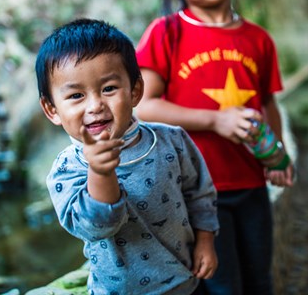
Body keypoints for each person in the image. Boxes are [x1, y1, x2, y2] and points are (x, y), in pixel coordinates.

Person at [135, 0, 294, 295]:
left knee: (260, 279)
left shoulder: (258, 40)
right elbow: (143, 106)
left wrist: (277, 153)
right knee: (222, 287)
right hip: (196, 194)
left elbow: (267, 103)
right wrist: (215, 120)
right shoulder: (166, 33)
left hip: (251, 185)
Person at [35, 18, 219, 295]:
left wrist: (206, 240)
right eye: (76, 95)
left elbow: (199, 192)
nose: (95, 105)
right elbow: (98, 227)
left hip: (186, 279)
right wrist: (100, 173)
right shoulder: (67, 169)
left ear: (135, 91)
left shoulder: (170, 139)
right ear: (52, 110)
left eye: (109, 88)